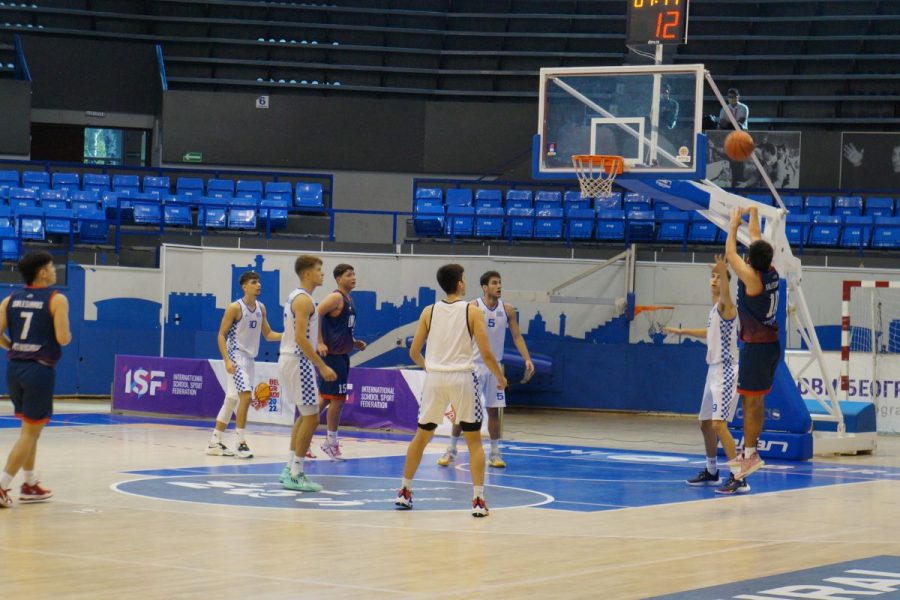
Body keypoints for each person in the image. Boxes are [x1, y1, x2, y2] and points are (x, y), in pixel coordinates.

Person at [395, 264, 507, 517]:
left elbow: (413, 352)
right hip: (462, 378)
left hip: (435, 378)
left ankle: (404, 491)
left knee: (421, 437)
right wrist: (500, 377)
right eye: (464, 279)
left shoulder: (428, 311)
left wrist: (431, 369)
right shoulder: (472, 310)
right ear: (459, 284)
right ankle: (478, 500)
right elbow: (487, 353)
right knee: (474, 441)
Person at [664, 256, 746, 494]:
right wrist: (680, 330)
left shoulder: (727, 306)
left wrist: (724, 270)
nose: (714, 280)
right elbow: (709, 332)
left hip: (727, 370)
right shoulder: (714, 310)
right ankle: (711, 471)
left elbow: (726, 295)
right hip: (713, 370)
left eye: (719, 277)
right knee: (705, 424)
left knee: (720, 424)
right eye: (713, 276)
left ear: (727, 285)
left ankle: (740, 477)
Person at [438, 270, 534, 469]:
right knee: (462, 410)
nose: (498, 286)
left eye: (500, 283)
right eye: (494, 283)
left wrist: (527, 358)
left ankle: (495, 453)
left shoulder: (507, 310)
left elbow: (517, 337)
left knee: (494, 411)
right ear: (484, 287)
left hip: (494, 367)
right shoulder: (472, 307)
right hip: (472, 365)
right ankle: (452, 450)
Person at [0, 251, 71, 507]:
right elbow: (63, 339)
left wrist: (14, 346)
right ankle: (2, 484)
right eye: (51, 267)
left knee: (30, 430)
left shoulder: (10, 299)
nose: (54, 271)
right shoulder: (57, 299)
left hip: (14, 369)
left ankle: (29, 484)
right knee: (30, 433)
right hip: (38, 371)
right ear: (42, 272)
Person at [724, 206, 781, 490]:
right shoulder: (771, 271)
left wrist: (733, 225)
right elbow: (757, 241)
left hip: (757, 348)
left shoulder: (753, 279)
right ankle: (749, 452)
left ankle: (750, 454)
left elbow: (731, 255)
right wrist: (754, 213)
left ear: (751, 260)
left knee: (751, 404)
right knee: (753, 402)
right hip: (769, 346)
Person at [206, 271, 281, 459]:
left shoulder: (261, 308)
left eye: (259, 282)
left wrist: (290, 336)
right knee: (245, 397)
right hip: (236, 356)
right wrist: (227, 360)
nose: (258, 285)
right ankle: (240, 442)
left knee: (232, 398)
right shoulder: (235, 308)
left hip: (250, 359)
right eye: (254, 282)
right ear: (244, 286)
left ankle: (214, 442)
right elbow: (221, 335)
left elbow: (269, 334)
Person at [278, 255, 337, 492]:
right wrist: (321, 365)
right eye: (319, 269)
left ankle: (289, 467)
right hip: (298, 360)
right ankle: (296, 473)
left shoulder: (297, 297)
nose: (322, 273)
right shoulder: (303, 300)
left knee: (304, 416)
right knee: (312, 417)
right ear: (306, 274)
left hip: (291, 359)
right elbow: (301, 338)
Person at [316, 263, 366, 460]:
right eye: (348, 275)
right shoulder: (336, 297)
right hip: (332, 356)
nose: (353, 277)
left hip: (342, 355)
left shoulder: (349, 299)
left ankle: (302, 437)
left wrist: (353, 342)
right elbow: (317, 313)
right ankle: (331, 442)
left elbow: (340, 327)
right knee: (337, 399)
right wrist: (319, 341)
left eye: (354, 274)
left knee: (325, 399)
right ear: (338, 279)